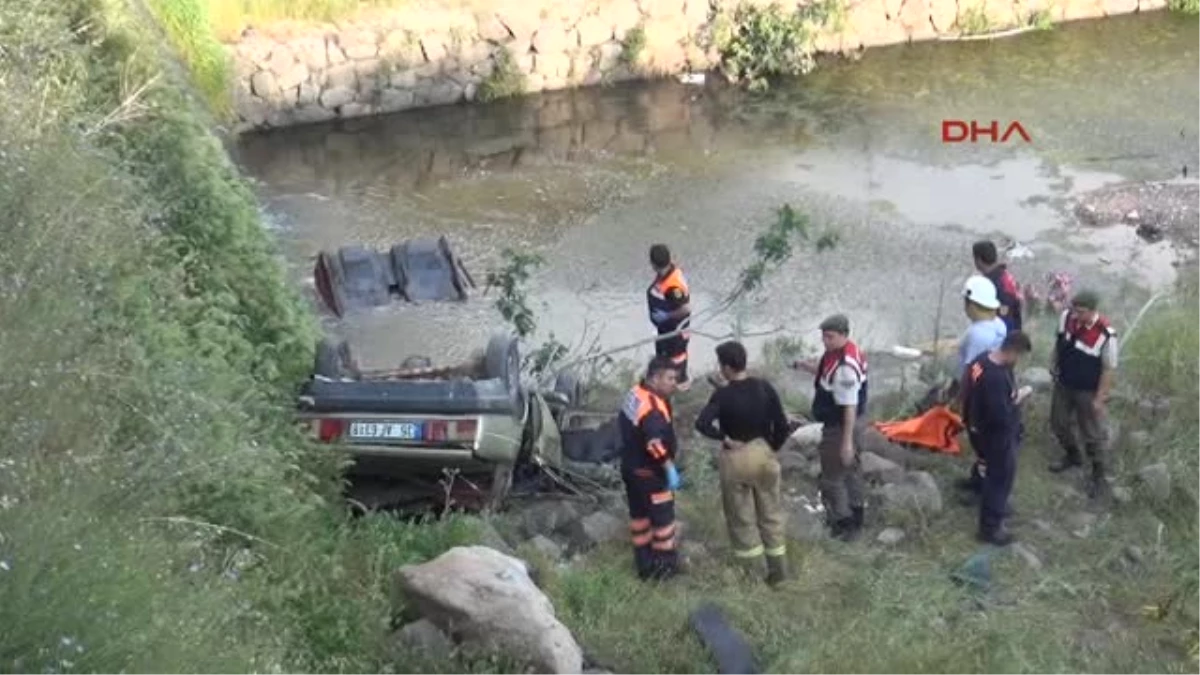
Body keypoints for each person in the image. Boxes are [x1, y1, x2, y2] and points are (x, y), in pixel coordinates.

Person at [694, 341, 790, 586]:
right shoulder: (764, 388)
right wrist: (771, 448)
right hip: (763, 454)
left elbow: (702, 424)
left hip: (735, 459)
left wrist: (724, 438)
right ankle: (778, 575)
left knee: (741, 519)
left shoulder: (722, 394)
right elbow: (782, 426)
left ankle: (752, 576)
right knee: (771, 516)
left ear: (726, 367)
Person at [791, 314, 867, 541]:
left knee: (832, 478)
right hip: (844, 423)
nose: (825, 341)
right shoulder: (842, 352)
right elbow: (827, 374)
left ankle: (842, 523)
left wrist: (846, 442)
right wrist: (807, 367)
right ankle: (857, 513)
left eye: (830, 337)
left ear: (844, 335)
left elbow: (849, 405)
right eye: (823, 337)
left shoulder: (845, 368)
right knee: (852, 470)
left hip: (840, 426)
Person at [961, 331, 1033, 546]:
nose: (1018, 361)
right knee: (1001, 476)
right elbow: (1000, 414)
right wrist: (1020, 396)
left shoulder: (980, 361)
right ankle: (991, 527)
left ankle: (977, 489)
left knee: (984, 463)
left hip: (975, 425)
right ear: (1012, 351)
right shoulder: (996, 377)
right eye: (1019, 356)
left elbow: (968, 387)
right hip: (995, 434)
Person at [1048, 290, 1118, 499]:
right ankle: (1072, 455)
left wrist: (1099, 398)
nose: (1077, 315)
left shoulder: (1106, 334)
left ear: (1093, 311)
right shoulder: (1066, 317)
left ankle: (1098, 475)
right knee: (1058, 422)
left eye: (1081, 312)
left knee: (1091, 433)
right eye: (1075, 310)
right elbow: (1059, 343)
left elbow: (1108, 369)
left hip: (1087, 390)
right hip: (1064, 382)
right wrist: (1053, 363)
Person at [618, 355, 683, 581]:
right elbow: (654, 444)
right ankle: (665, 571)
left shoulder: (636, 393)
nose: (674, 383)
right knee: (663, 522)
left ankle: (644, 566)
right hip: (650, 474)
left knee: (640, 519)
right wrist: (668, 467)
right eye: (671, 379)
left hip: (631, 469)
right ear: (655, 378)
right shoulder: (653, 408)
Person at [955, 275, 1009, 494]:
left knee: (980, 440)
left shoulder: (978, 334)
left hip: (979, 396)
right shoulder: (998, 325)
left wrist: (961, 398)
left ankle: (984, 487)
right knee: (986, 442)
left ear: (971, 304)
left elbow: (971, 371)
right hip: (995, 391)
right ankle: (978, 477)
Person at [647, 244, 692, 389]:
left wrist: (667, 315)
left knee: (675, 361)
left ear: (653, 264)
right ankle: (665, 387)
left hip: (675, 331)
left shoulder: (673, 285)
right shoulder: (667, 273)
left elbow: (685, 308)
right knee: (664, 360)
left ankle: (680, 387)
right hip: (666, 330)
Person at [973, 240, 1025, 333]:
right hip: (1013, 330)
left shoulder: (993, 284)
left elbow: (1003, 317)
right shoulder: (1005, 275)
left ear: (978, 260)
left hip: (1003, 336)